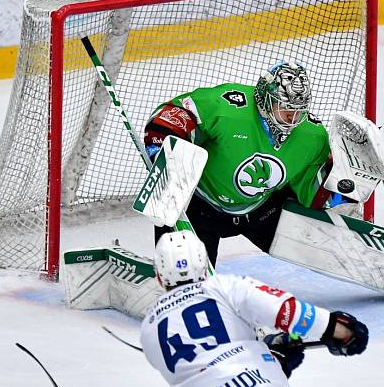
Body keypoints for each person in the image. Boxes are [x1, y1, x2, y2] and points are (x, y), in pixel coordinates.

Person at [139, 231, 368, 387]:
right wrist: (338, 329)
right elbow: (285, 311)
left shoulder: (149, 329)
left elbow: (206, 373)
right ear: (203, 263)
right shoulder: (224, 286)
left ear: (159, 276)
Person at [143, 61, 348, 265]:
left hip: (262, 212)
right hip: (201, 207)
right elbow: (176, 113)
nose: (292, 117)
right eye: (285, 108)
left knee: (323, 257)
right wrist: (161, 144)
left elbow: (312, 194)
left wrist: (346, 184)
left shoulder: (312, 136)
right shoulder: (226, 107)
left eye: (299, 110)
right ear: (265, 101)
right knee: (188, 283)